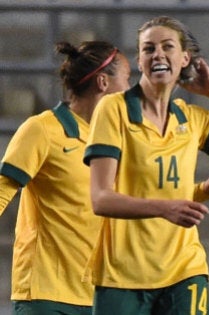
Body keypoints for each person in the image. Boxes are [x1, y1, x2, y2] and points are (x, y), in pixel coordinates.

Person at [82, 16, 209, 315]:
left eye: (167, 47)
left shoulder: (190, 118)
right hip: (123, 274)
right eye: (149, 49)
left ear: (184, 58)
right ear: (139, 60)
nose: (158, 54)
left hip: (184, 269)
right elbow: (101, 199)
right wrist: (166, 209)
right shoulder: (114, 110)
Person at [0, 41, 129, 315]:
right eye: (127, 80)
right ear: (103, 83)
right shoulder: (42, 130)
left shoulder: (116, 139)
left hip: (103, 296)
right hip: (47, 296)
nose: (129, 91)